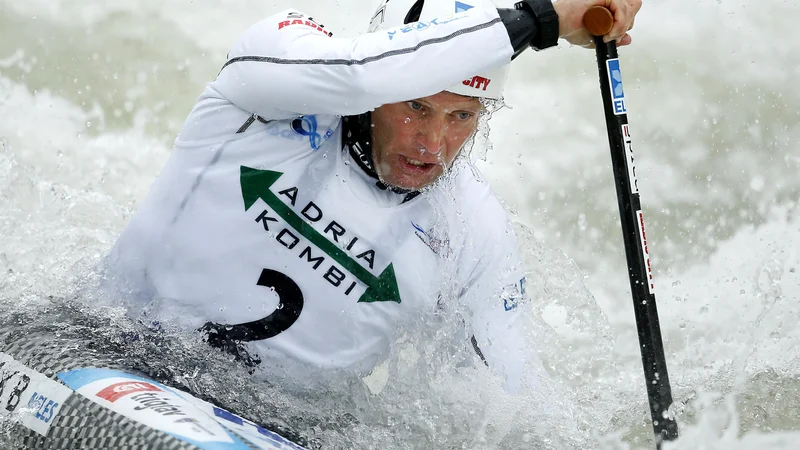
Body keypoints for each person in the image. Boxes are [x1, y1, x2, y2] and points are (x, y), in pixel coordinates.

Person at [103, 0, 640, 400]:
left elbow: (511, 399)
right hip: (108, 347)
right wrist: (544, 17)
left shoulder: (473, 228)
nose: (433, 145)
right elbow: (357, 73)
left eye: (462, 117)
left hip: (275, 428)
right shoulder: (270, 84)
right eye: (416, 106)